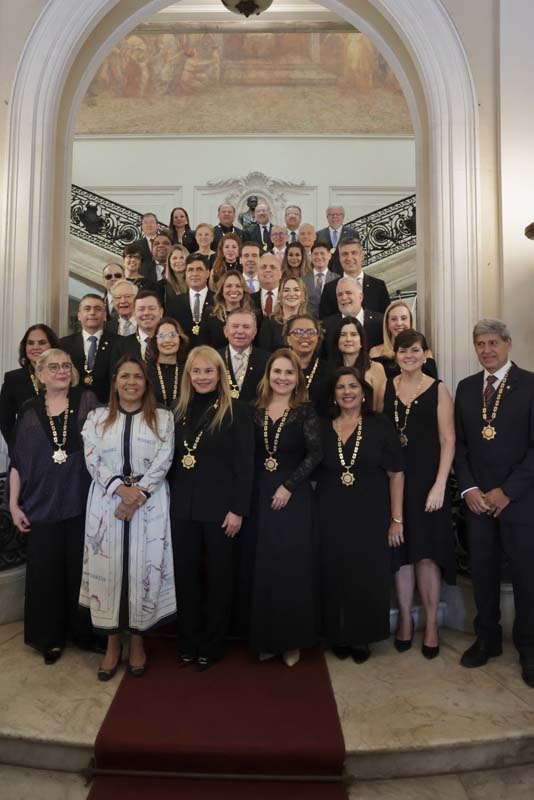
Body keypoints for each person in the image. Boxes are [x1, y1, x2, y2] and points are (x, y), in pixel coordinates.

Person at [80, 356, 176, 679]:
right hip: (108, 503)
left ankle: (137, 642)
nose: (131, 382)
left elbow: (165, 459)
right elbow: (91, 457)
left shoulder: (162, 418)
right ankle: (111, 644)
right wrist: (120, 490)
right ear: (116, 381)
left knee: (141, 570)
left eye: (137, 376)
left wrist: (138, 495)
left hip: (148, 504)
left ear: (146, 382)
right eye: (125, 376)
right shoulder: (96, 416)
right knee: (109, 569)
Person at [455, 319, 534, 687]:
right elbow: (461, 446)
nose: (486, 350)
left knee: (526, 578)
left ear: (507, 343)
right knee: (482, 575)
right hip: (477, 504)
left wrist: (507, 491)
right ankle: (486, 638)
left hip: (520, 502)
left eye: (492, 343)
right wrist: (469, 489)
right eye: (480, 344)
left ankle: (529, 646)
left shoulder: (531, 385)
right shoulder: (467, 388)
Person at [9, 349, 98, 664]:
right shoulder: (29, 411)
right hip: (40, 504)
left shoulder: (87, 401)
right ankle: (50, 638)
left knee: (81, 571)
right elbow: (18, 461)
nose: (61, 371)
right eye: (53, 367)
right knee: (45, 574)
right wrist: (14, 505)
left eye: (65, 365)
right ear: (40, 374)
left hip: (80, 501)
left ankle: (84, 634)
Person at [170, 347, 254, 671]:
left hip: (222, 511)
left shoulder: (237, 411)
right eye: (196, 371)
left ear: (220, 374)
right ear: (188, 375)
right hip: (183, 509)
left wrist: (238, 510)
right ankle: (188, 642)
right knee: (185, 578)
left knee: (220, 579)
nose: (202, 377)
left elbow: (245, 466)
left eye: (209, 371)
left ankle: (213, 644)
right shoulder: (177, 411)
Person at [316, 367, 404, 663]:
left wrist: (396, 519)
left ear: (363, 391)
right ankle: (337, 634)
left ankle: (361, 636)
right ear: (333, 395)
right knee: (333, 573)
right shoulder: (323, 426)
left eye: (352, 386)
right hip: (329, 512)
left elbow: (396, 474)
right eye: (340, 387)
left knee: (367, 574)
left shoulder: (379, 425)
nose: (347, 392)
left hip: (371, 512)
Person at [384, 329, 455, 658]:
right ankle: (406, 624)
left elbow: (448, 441)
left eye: (414, 350)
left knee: (425, 555)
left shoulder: (438, 389)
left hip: (429, 485)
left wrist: (440, 485)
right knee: (402, 557)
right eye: (402, 351)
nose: (408, 356)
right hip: (396, 482)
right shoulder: (388, 387)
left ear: (425, 354)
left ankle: (429, 624)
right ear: (395, 355)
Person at [249, 348, 322, 666]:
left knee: (291, 568)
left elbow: (315, 454)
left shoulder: (306, 412)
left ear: (297, 378)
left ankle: (292, 642)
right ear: (268, 375)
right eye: (277, 372)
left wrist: (289, 486)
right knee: (264, 567)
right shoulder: (255, 409)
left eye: (289, 373)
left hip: (293, 495)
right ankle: (268, 639)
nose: (282, 377)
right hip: (260, 495)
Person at [0, 324, 60, 450]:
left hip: (63, 448)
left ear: (52, 346)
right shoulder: (13, 379)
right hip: (27, 450)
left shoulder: (64, 375)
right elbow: (5, 421)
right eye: (30, 343)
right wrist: (17, 450)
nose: (36, 347)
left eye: (42, 342)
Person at [60, 294, 116, 403]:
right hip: (72, 405)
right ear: (79, 316)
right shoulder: (63, 344)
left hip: (108, 406)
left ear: (105, 315)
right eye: (87, 309)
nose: (92, 313)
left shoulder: (119, 343)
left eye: (97, 309)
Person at [319, 238, 390, 317]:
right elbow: (324, 322)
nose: (349, 258)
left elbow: (386, 319)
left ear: (362, 256)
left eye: (354, 253)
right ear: (339, 258)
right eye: (345, 254)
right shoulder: (329, 288)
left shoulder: (378, 286)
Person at [328, 317, 387, 411]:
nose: (348, 339)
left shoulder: (376, 368)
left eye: (353, 334)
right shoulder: (328, 369)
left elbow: (380, 407)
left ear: (361, 341)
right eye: (343, 335)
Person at [370, 300, 438, 378]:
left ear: (410, 321)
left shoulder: (425, 353)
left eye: (403, 318)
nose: (399, 323)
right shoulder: (375, 352)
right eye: (394, 319)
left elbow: (433, 385)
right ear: (387, 323)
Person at [322, 277, 383, 355]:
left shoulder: (380, 322)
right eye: (340, 294)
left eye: (349, 293)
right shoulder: (326, 326)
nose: (343, 298)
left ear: (361, 296)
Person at [220, 309, 269, 404]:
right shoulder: (213, 358)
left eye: (246, 327)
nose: (240, 331)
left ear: (254, 332)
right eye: (235, 326)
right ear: (225, 331)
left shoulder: (267, 360)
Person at [284, 313, 329, 416]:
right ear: (288, 339)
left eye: (310, 332)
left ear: (317, 338)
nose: (304, 336)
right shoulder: (277, 368)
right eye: (298, 332)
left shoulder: (329, 370)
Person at [198, 269, 253, 350]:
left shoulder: (253, 315)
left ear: (243, 290)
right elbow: (203, 346)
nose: (234, 290)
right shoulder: (210, 314)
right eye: (229, 286)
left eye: (238, 286)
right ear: (222, 290)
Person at [166, 254, 214, 345]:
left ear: (207, 273)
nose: (195, 274)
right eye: (190, 270)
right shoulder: (174, 303)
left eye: (199, 269)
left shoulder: (218, 300)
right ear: (186, 274)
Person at [258, 275, 309, 352]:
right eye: (286, 290)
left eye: (296, 290)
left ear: (303, 296)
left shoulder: (310, 323)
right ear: (279, 296)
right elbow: (263, 353)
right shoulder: (269, 323)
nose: (291, 294)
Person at [145, 317, 188, 409]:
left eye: (172, 335)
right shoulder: (145, 371)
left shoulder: (188, 370)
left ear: (180, 338)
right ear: (155, 340)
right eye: (162, 336)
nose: (167, 340)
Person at [112, 289, 164, 362]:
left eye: (151, 308)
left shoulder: (171, 342)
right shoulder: (121, 346)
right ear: (134, 313)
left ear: (161, 312)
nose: (146, 313)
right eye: (141, 309)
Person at [303, 241, 337, 317]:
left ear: (329, 255)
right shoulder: (302, 280)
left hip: (331, 321)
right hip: (308, 322)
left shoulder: (338, 279)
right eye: (316, 254)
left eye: (322, 253)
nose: (319, 257)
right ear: (311, 257)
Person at [316, 205, 354, 274]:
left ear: (343, 216)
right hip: (325, 274)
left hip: (346, 273)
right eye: (331, 214)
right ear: (327, 217)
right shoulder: (318, 235)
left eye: (338, 214)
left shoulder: (352, 233)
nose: (335, 216)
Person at [250, 253, 282, 318]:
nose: (268, 270)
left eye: (273, 267)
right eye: (263, 267)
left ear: (280, 273)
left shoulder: (287, 297)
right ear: (257, 273)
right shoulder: (249, 300)